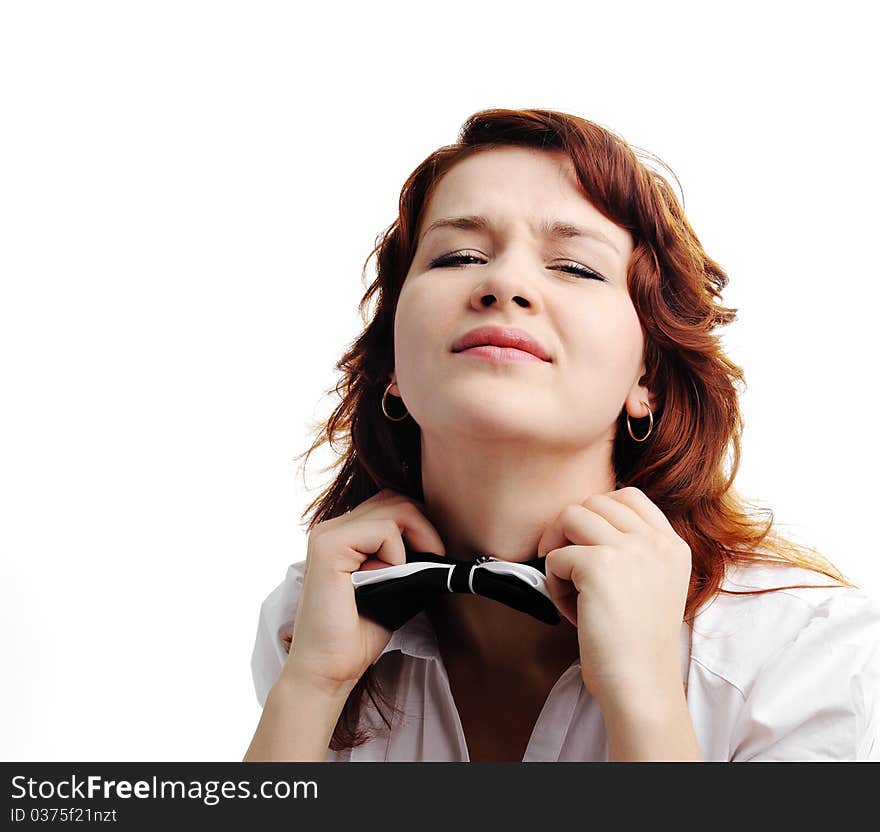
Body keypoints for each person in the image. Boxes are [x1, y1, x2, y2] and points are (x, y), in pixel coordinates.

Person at [243, 108, 880, 762]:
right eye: (459, 256)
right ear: (392, 367)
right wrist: (311, 687)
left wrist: (647, 698)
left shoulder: (802, 648)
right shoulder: (312, 615)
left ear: (647, 378)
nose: (505, 284)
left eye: (576, 267)